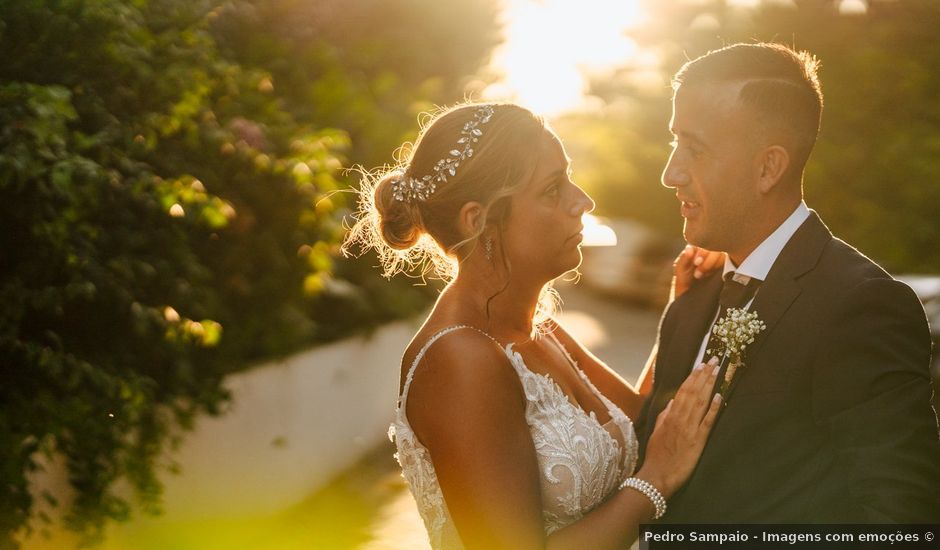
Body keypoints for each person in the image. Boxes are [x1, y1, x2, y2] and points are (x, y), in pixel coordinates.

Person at [343, 102, 725, 549]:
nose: (583, 201)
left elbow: (643, 420)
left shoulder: (540, 331)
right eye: (551, 188)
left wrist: (683, 308)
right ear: (478, 221)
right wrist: (655, 482)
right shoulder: (460, 360)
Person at [637, 42, 940, 523]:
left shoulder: (862, 305)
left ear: (768, 168)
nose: (670, 173)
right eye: (674, 143)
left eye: (693, 149)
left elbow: (900, 519)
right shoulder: (693, 298)